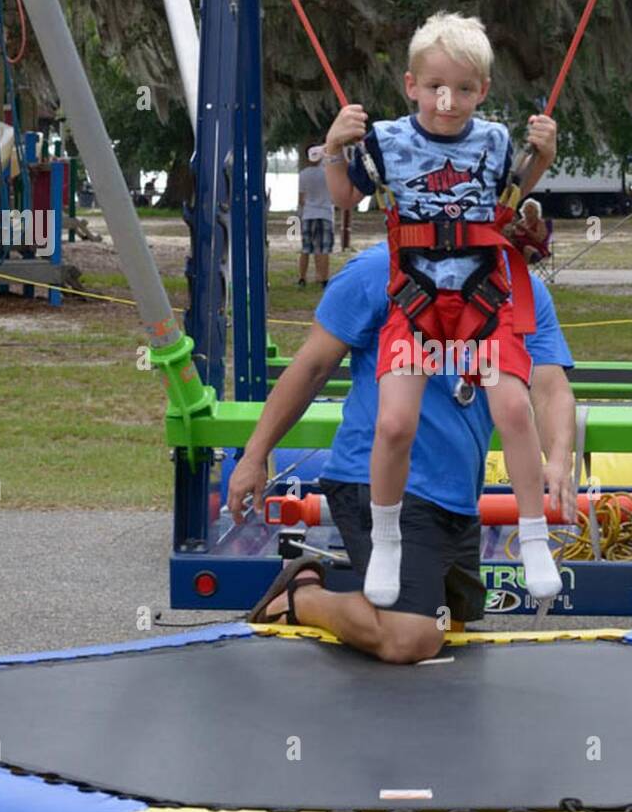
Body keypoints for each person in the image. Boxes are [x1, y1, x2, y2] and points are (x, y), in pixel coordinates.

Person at [227, 242, 575, 665]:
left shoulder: (521, 286)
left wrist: (558, 457)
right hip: (374, 481)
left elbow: (550, 385)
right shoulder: (378, 269)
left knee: (450, 627)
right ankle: (301, 595)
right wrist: (254, 454)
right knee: (411, 637)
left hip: (456, 493)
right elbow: (312, 367)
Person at [321, 12, 560, 609]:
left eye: (462, 89)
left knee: (512, 407)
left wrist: (543, 158)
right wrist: (333, 145)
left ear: (481, 91)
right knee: (395, 422)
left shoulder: (495, 141)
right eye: (434, 88)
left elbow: (514, 190)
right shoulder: (388, 142)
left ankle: (534, 538)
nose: (447, 102)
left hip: (481, 295)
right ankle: (386, 540)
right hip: (417, 297)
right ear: (411, 85)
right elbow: (345, 196)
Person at [296, 141, 335, 288]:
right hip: (325, 213)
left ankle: (302, 278)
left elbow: (301, 199)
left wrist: (299, 213)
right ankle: (323, 278)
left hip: (308, 214)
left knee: (306, 248)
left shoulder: (303, 175)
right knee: (323, 249)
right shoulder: (327, 174)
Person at [510, 197, 551, 265]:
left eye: (531, 210)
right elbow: (515, 235)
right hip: (519, 247)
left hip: (536, 249)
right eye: (526, 209)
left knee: (527, 249)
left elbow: (539, 239)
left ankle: (523, 271)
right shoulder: (521, 222)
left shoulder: (540, 223)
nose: (528, 211)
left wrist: (525, 230)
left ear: (536, 212)